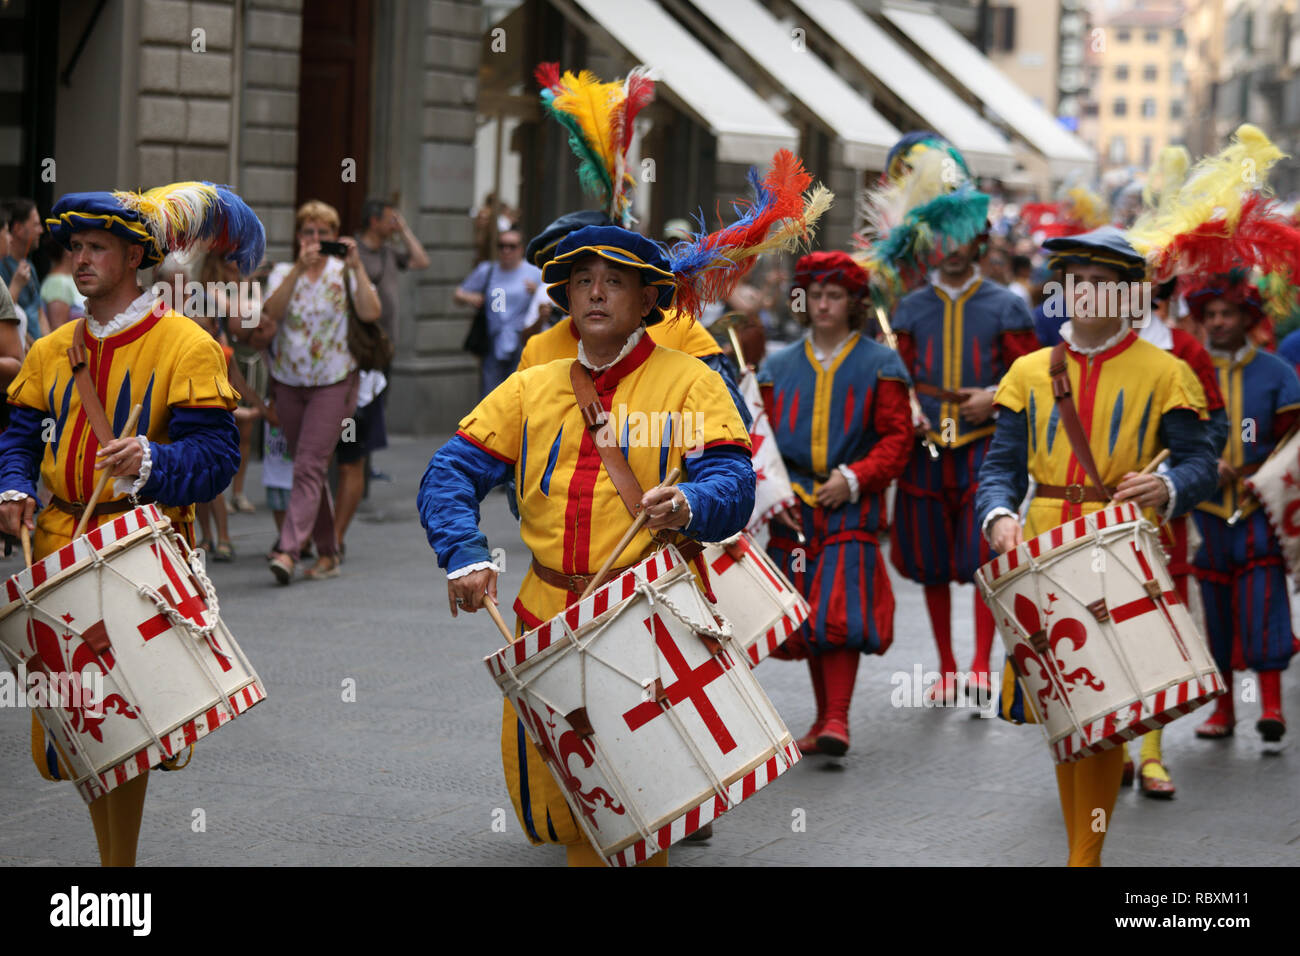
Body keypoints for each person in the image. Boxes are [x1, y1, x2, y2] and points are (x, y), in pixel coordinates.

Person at [420, 225, 756, 867]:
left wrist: (691, 502)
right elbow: (450, 471)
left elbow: (734, 480)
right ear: (566, 296)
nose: (595, 294)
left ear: (646, 297)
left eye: (614, 281)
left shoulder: (690, 382)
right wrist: (464, 552)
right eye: (582, 281)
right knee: (565, 801)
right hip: (544, 618)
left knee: (640, 805)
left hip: (646, 614)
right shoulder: (530, 385)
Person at [0, 181, 253, 866]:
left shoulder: (187, 345)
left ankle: (119, 873)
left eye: (96, 248)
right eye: (74, 247)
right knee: (60, 745)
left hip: (139, 555)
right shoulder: (52, 349)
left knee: (125, 734)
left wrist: (151, 459)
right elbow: (20, 434)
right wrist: (15, 483)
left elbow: (215, 461)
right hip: (54, 552)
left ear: (134, 257)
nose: (80, 259)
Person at [975, 226, 1218, 866]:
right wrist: (998, 514)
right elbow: (999, 468)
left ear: (1131, 297)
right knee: (1064, 707)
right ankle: (1082, 853)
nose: (1086, 294)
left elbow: (1201, 463)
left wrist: (1166, 485)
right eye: (1077, 282)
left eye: (1103, 285)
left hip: (1122, 546)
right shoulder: (1027, 372)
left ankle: (1086, 858)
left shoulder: (1169, 372)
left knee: (1108, 705)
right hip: (1043, 549)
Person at [759, 251, 913, 755]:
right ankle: (826, 718)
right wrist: (773, 494)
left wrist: (854, 478)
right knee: (806, 617)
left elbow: (897, 438)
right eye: (815, 295)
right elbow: (757, 443)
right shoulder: (776, 366)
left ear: (854, 302)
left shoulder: (882, 363)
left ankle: (837, 720)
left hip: (852, 506)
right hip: (795, 510)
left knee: (840, 612)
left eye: (835, 295)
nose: (823, 304)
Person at [888, 234, 1039, 703]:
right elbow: (895, 375)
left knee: (984, 555)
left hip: (983, 447)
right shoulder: (909, 308)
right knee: (931, 559)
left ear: (977, 243)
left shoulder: (1007, 306)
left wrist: (994, 396)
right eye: (942, 240)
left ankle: (980, 667)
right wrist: (905, 411)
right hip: (926, 448)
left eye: (961, 239)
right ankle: (947, 669)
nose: (951, 249)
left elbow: (1029, 372)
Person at [260, 200, 382, 584]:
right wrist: (298, 268)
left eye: (323, 233)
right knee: (306, 467)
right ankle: (329, 552)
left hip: (333, 381)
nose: (315, 240)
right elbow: (270, 315)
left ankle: (288, 549)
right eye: (308, 232)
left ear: (335, 237)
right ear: (299, 237)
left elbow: (371, 313)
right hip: (289, 382)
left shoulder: (343, 273)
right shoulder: (283, 270)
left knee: (310, 466)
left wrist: (358, 268)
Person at [455, 228, 542, 398]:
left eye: (511, 246)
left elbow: (550, 298)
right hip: (494, 343)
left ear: (521, 248)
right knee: (491, 396)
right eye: (501, 246)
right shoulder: (487, 270)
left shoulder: (534, 273)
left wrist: (537, 292)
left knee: (518, 395)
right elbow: (458, 294)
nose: (506, 251)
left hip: (523, 343)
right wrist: (471, 298)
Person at [1, 198, 47, 342]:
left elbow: (39, 312)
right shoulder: (2, 266)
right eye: (36, 224)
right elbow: (4, 316)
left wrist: (49, 346)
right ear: (18, 229)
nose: (41, 230)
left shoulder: (29, 266)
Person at [38, 237, 86, 330]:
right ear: (67, 251)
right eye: (77, 246)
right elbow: (58, 329)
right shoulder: (57, 283)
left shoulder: (72, 278)